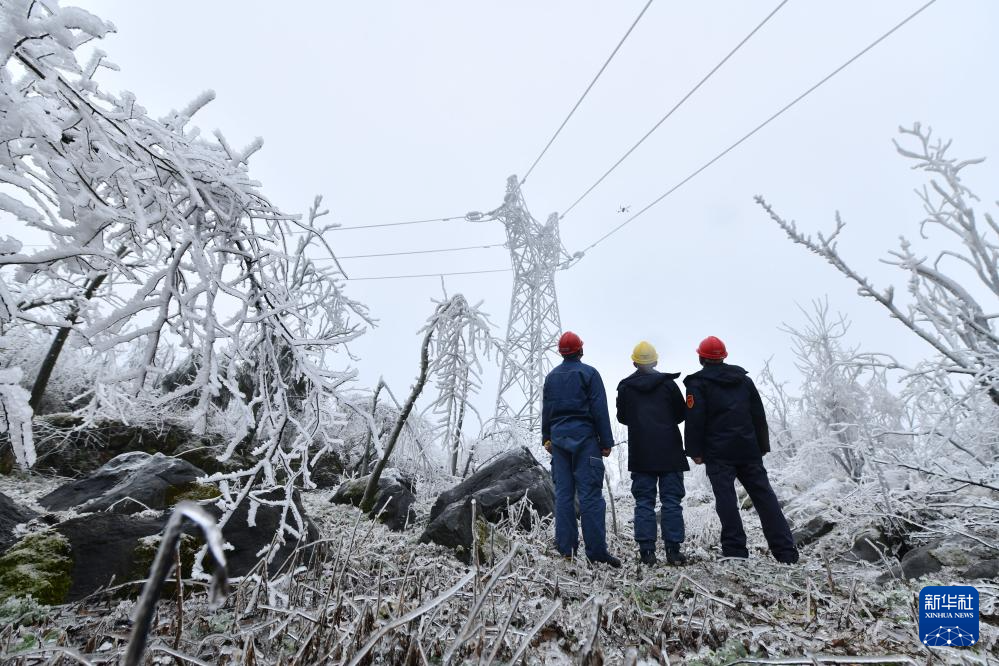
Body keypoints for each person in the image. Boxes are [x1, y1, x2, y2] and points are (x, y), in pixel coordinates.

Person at [683, 336, 799, 564]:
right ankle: (786, 552)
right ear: (724, 356)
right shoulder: (743, 381)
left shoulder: (697, 384)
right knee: (765, 498)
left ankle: (735, 551)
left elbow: (694, 419)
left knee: (726, 499)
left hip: (718, 453)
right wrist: (762, 446)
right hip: (748, 450)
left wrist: (694, 451)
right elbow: (758, 415)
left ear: (701, 358)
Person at [541, 331, 621, 567]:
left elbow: (547, 409)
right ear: (580, 350)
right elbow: (599, 409)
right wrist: (606, 442)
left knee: (564, 496)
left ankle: (566, 550)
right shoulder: (590, 374)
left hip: (559, 442)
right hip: (586, 442)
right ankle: (596, 553)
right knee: (591, 497)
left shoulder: (551, 378)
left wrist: (547, 438)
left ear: (561, 352)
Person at [616, 341, 688, 566]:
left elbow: (622, 417)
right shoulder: (668, 385)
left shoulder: (626, 387)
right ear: (655, 361)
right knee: (672, 502)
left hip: (641, 454)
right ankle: (673, 552)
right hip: (670, 452)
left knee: (644, 503)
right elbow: (681, 413)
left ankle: (647, 553)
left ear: (634, 362)